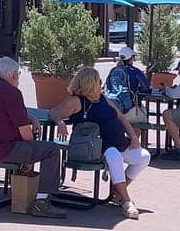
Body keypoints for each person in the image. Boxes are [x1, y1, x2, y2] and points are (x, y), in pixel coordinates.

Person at [48, 66, 150, 220]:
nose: (101, 84)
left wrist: (134, 139)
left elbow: (121, 117)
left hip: (118, 142)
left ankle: (118, 191)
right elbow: (54, 112)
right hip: (95, 148)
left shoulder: (103, 99)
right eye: (98, 81)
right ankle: (126, 201)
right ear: (89, 84)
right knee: (114, 155)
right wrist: (60, 122)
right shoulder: (76, 101)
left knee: (143, 156)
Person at [0, 58, 65, 219]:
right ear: (13, 75)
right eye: (18, 74)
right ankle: (41, 202)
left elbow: (10, 114)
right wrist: (29, 156)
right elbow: (25, 131)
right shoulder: (11, 92)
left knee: (36, 148)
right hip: (1, 149)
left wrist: (31, 118)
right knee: (51, 149)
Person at [106, 45, 151, 124]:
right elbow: (146, 87)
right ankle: (134, 136)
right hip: (128, 109)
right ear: (131, 58)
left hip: (113, 107)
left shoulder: (114, 70)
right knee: (142, 116)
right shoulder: (135, 71)